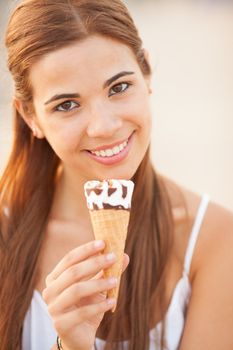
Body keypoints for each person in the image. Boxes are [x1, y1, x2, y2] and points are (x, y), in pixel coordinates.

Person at [0, 0, 233, 349]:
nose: (105, 127)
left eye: (119, 87)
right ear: (31, 117)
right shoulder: (6, 234)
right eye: (67, 104)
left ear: (147, 73)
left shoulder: (214, 239)